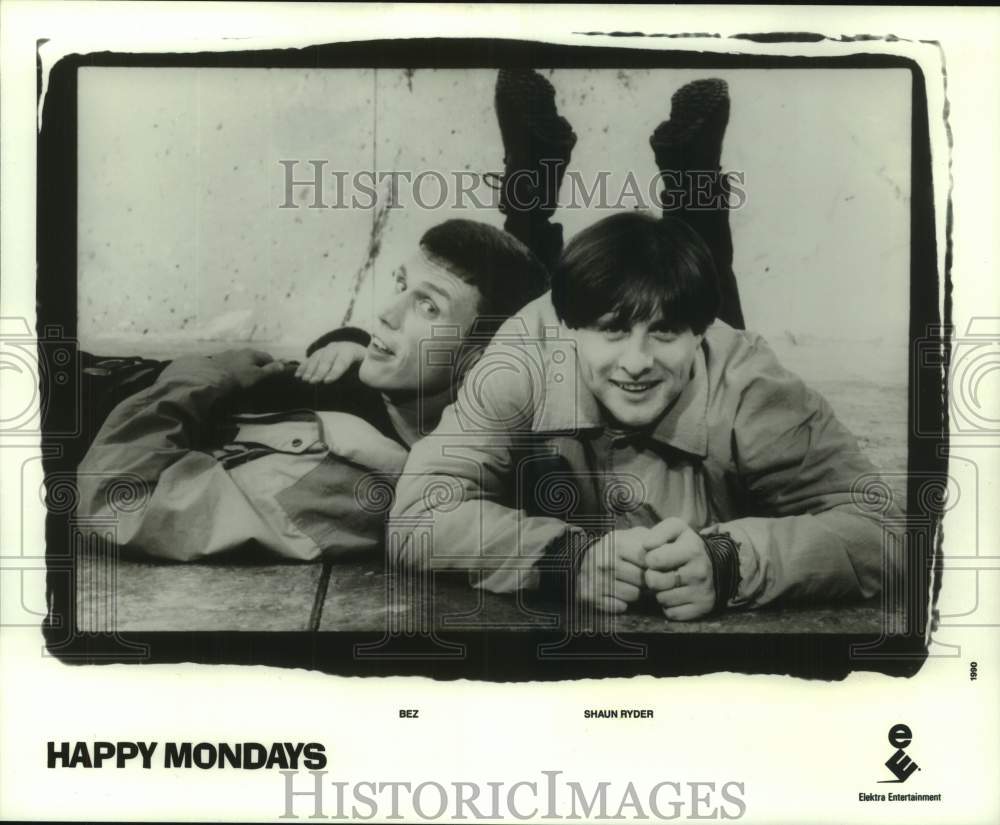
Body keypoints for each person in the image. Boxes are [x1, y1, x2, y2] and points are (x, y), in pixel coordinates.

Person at [387, 212, 900, 620]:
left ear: (700, 331)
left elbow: (887, 530)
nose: (636, 362)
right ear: (569, 327)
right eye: (611, 330)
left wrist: (730, 562)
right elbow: (417, 514)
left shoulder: (752, 387)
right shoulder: (519, 362)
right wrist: (565, 560)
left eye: (665, 332)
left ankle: (692, 179)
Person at [76, 219, 549, 562]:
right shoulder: (387, 388)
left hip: (78, 431)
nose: (386, 312)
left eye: (427, 306)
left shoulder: (354, 484)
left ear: (481, 363)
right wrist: (351, 343)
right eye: (402, 286)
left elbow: (117, 502)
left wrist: (205, 374)